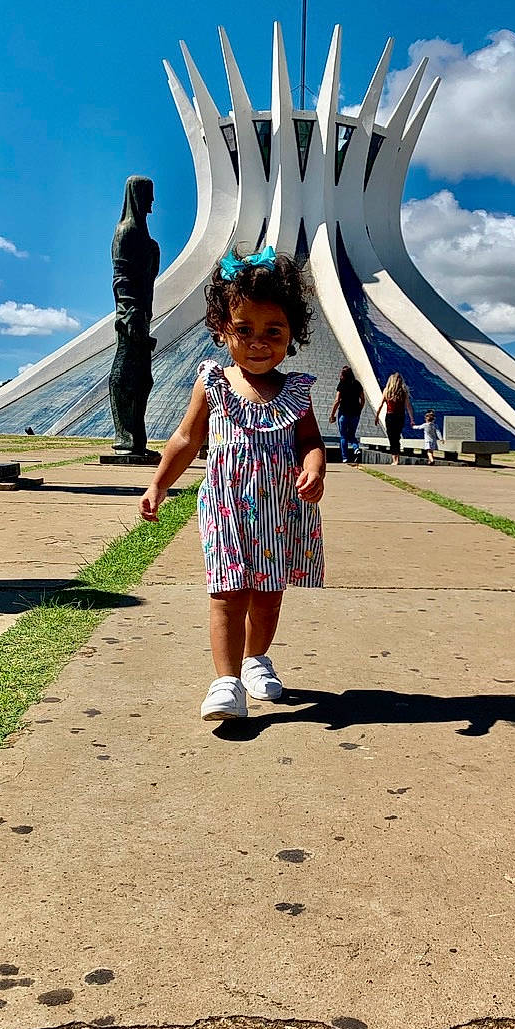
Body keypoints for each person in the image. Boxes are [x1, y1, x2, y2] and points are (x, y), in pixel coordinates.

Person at [139, 246, 325, 722]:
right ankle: (225, 683)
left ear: (292, 336)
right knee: (226, 594)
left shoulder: (298, 391)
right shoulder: (213, 381)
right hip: (226, 510)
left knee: (268, 595)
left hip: (281, 514)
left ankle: (256, 659)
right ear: (223, 330)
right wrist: (159, 483)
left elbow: (310, 440)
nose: (258, 342)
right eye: (244, 330)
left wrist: (314, 468)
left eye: (273, 332)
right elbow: (186, 436)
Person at [109, 175, 160, 458]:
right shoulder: (126, 231)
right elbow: (121, 278)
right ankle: (124, 435)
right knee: (126, 371)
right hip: (131, 316)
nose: (152, 201)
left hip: (143, 311)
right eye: (148, 195)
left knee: (143, 378)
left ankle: (135, 437)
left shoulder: (142, 234)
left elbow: (146, 276)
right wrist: (129, 314)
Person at [375, 372, 416, 465]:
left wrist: (377, 416)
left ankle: (395, 459)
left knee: (391, 437)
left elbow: (381, 405)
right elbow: (408, 406)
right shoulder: (403, 392)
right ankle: (396, 458)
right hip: (400, 416)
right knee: (396, 437)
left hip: (390, 416)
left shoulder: (387, 391)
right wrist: (412, 418)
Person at [329, 364, 365, 464]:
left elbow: (337, 400)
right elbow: (363, 399)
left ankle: (345, 457)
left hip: (343, 413)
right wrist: (359, 410)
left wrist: (332, 415)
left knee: (344, 436)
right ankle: (356, 448)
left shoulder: (342, 384)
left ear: (343, 375)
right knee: (352, 434)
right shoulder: (357, 384)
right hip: (355, 414)